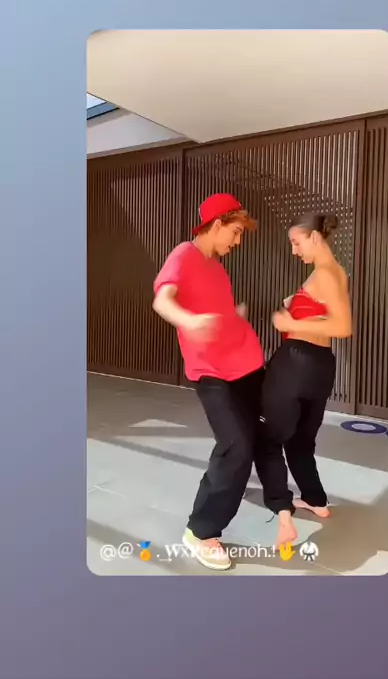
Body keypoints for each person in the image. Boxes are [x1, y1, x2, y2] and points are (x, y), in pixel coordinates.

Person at [152, 193, 265, 571]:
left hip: (247, 363)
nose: (237, 241)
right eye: (235, 232)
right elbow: (162, 301)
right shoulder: (184, 254)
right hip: (212, 372)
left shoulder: (217, 268)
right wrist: (189, 321)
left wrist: (234, 317)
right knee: (235, 446)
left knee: (259, 435)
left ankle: (272, 495)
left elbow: (219, 312)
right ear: (216, 225)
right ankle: (201, 532)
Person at [255, 212, 352, 549]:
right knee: (300, 441)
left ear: (314, 237)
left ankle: (282, 511)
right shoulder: (334, 271)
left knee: (268, 439)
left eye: (296, 243)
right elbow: (325, 316)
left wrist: (289, 323)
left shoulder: (325, 274)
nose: (294, 251)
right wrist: (295, 306)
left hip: (295, 364)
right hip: (320, 366)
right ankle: (315, 499)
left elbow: (343, 326)